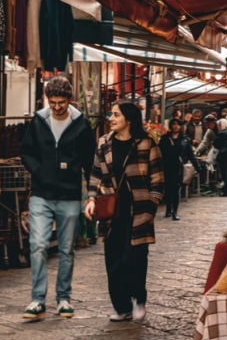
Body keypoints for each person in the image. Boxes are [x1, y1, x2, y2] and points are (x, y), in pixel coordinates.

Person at [20, 75, 96, 322]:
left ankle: (64, 298)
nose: (57, 107)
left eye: (61, 102)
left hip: (69, 194)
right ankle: (37, 299)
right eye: (53, 102)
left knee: (66, 249)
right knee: (38, 245)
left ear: (69, 100)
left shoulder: (81, 124)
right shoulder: (38, 121)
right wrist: (38, 170)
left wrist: (88, 188)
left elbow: (89, 157)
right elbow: (26, 152)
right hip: (41, 193)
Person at [85, 101, 164, 322]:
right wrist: (91, 200)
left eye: (116, 114)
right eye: (111, 113)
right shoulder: (104, 143)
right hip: (112, 210)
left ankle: (138, 298)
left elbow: (158, 180)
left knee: (136, 258)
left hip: (139, 209)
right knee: (114, 260)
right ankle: (121, 306)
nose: (111, 117)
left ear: (128, 119)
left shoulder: (147, 144)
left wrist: (151, 207)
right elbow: (95, 174)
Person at [159, 117, 200, 220]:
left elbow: (190, 155)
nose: (175, 126)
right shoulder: (164, 139)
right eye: (174, 124)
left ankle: (175, 212)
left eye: (177, 124)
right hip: (167, 166)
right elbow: (158, 152)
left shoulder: (184, 139)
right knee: (168, 189)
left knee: (177, 189)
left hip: (179, 167)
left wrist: (197, 167)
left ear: (180, 126)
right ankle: (168, 209)